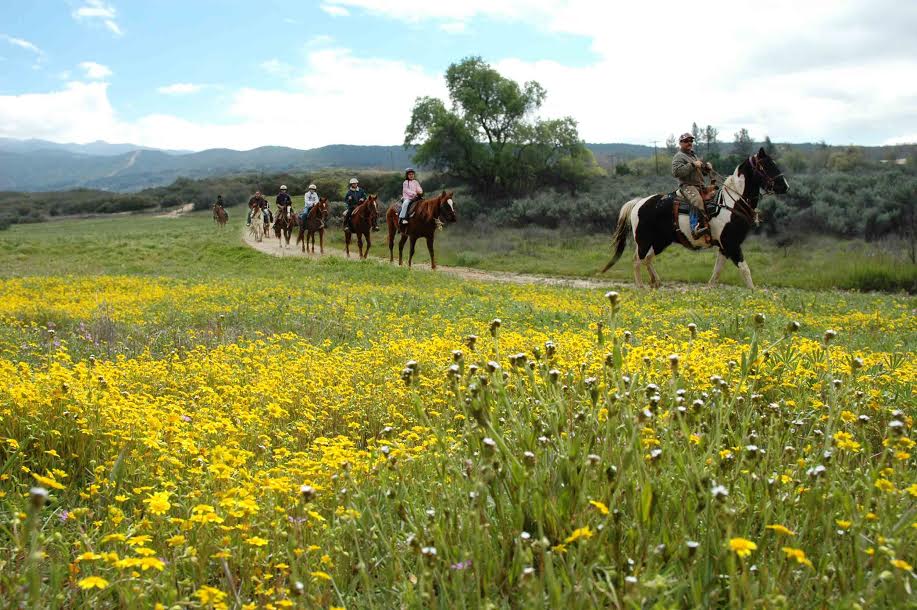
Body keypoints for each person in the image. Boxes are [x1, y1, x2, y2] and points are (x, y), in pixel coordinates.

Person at [671, 132, 713, 239]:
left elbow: (701, 172)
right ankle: (695, 228)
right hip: (687, 186)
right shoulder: (679, 156)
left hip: (700, 186)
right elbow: (676, 172)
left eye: (691, 141)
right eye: (686, 141)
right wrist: (692, 165)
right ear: (680, 143)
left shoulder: (693, 155)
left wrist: (706, 168)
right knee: (697, 200)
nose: (689, 143)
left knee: (715, 195)